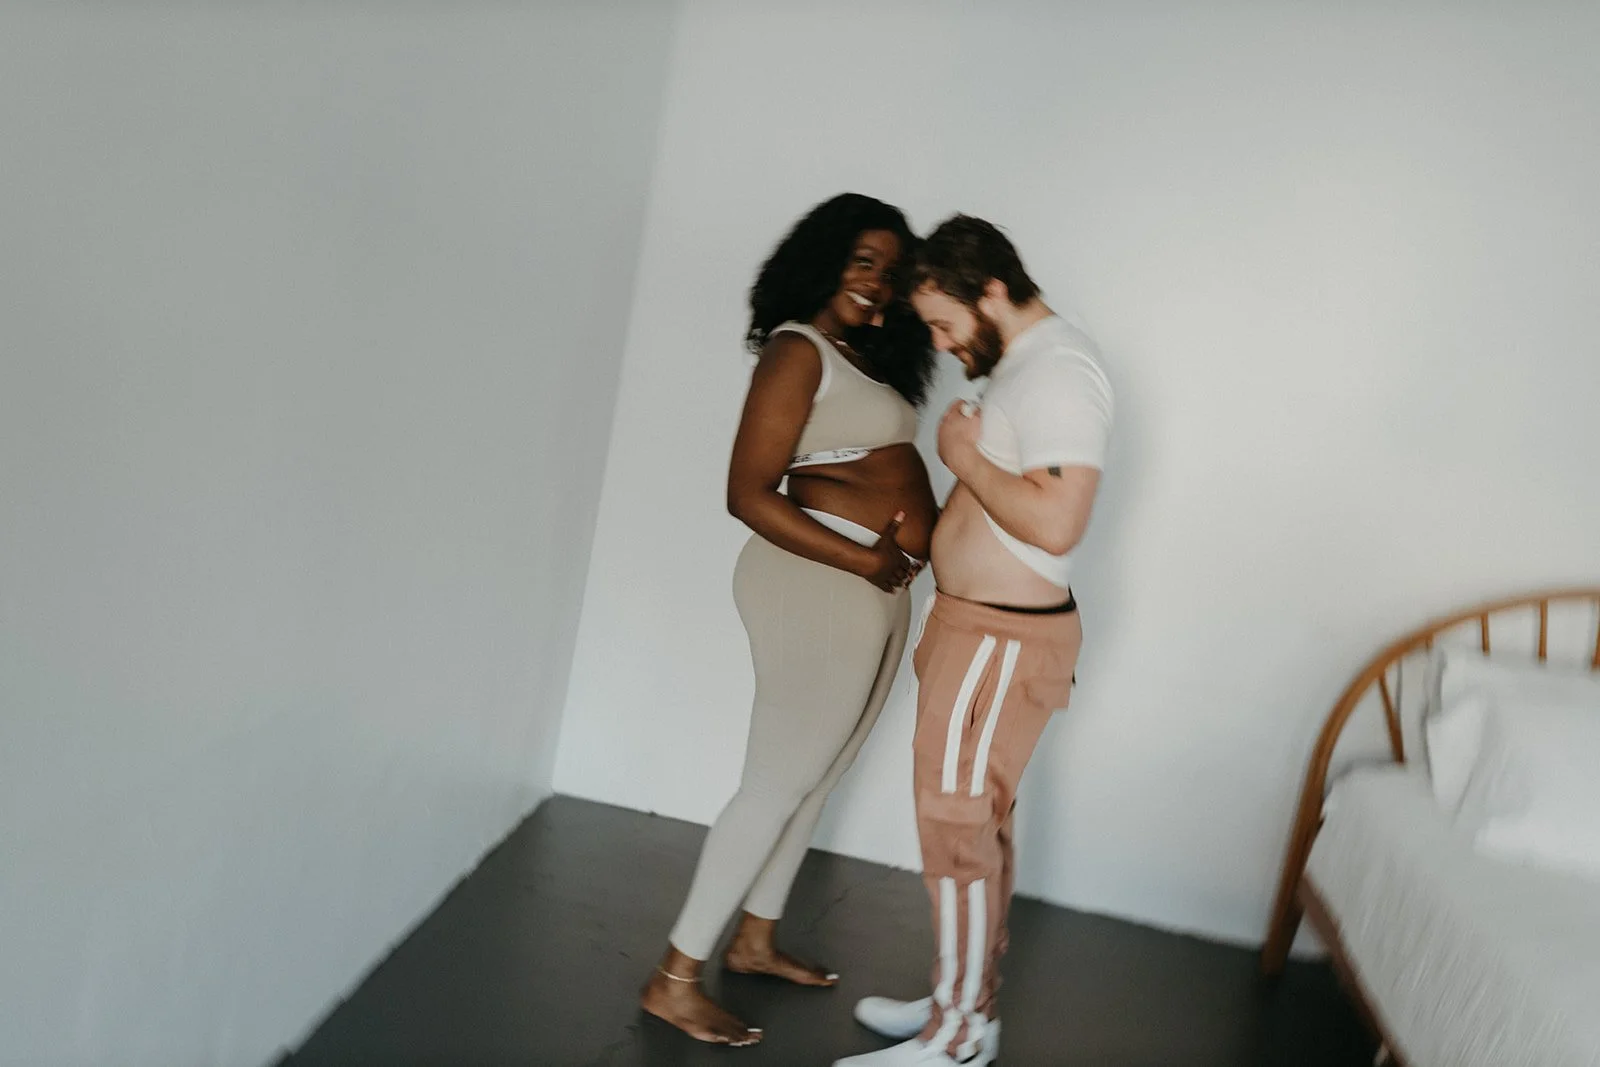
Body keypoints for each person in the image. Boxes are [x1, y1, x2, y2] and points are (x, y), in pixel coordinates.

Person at [641, 193, 941, 1047]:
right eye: (862, 261)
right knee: (775, 778)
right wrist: (863, 558)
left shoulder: (860, 358)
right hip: (822, 579)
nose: (878, 282)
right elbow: (745, 493)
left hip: (875, 583)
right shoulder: (796, 350)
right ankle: (673, 977)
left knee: (817, 773)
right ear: (821, 261)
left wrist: (891, 567)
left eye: (891, 268)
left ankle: (755, 936)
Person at [835, 216, 1114, 1067]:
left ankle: (955, 1040)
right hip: (981, 632)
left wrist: (962, 453)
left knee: (958, 828)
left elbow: (1058, 521)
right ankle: (966, 1007)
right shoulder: (1025, 367)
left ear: (989, 290)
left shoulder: (1061, 372)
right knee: (973, 824)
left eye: (944, 321)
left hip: (1002, 638)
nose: (941, 341)